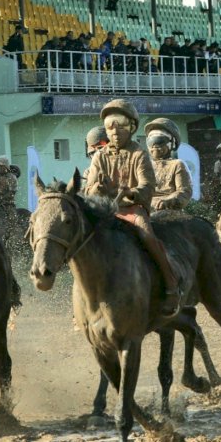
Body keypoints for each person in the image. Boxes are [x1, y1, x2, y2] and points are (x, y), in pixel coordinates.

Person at [84, 99, 182, 316]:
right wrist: (97, 188)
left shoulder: (139, 153)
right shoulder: (99, 156)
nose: (115, 130)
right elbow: (88, 187)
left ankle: (171, 284)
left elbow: (148, 185)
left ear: (132, 127)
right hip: (105, 211)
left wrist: (130, 192)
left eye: (120, 123)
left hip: (132, 210)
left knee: (147, 236)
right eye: (110, 124)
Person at [145, 118, 192, 211]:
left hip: (168, 211)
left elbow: (184, 192)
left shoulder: (177, 164)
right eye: (151, 141)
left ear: (172, 143)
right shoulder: (143, 164)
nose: (154, 146)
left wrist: (168, 201)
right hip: (143, 209)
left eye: (159, 141)